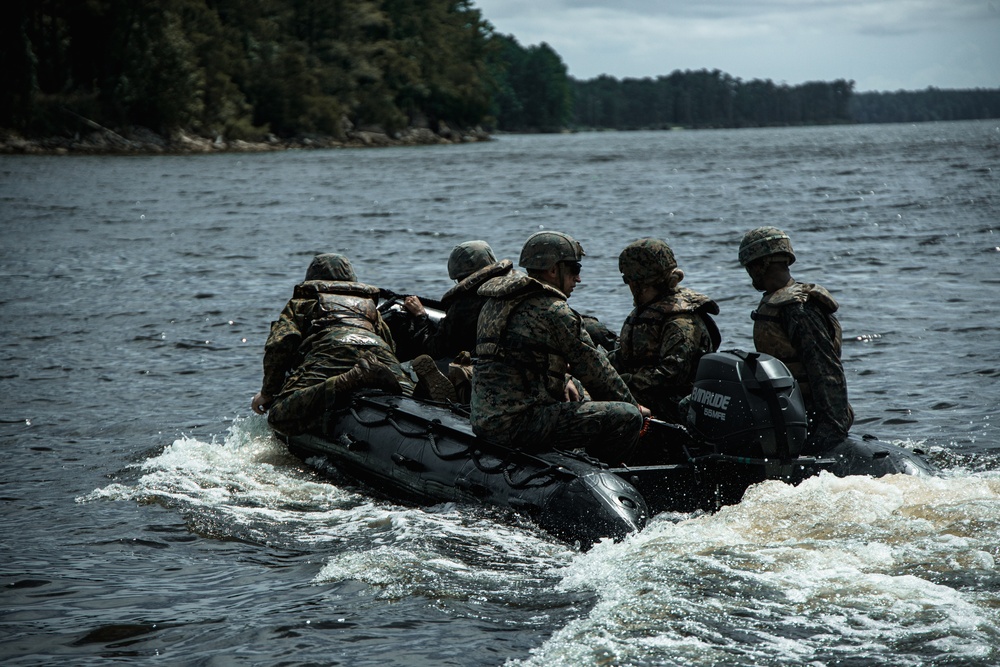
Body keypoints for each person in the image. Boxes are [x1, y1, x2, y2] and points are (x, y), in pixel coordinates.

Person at [470, 230, 649, 465]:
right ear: (554, 270)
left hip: (485, 419)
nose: (578, 279)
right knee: (626, 417)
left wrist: (565, 379)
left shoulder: (496, 303)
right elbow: (596, 370)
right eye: (575, 269)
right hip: (520, 424)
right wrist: (634, 405)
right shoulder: (554, 311)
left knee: (577, 387)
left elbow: (519, 358)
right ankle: (600, 476)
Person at [251, 253, 414, 435]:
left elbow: (281, 343)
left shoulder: (301, 303)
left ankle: (348, 379)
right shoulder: (369, 307)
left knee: (278, 416)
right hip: (378, 353)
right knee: (411, 401)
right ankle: (419, 387)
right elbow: (389, 344)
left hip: (330, 352)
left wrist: (268, 392)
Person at [737, 226, 853, 449]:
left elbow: (825, 370)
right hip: (785, 406)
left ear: (762, 264)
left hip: (808, 413)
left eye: (750, 266)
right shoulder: (777, 303)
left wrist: (830, 430)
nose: (749, 272)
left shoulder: (797, 308)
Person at [611, 238, 721, 423]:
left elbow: (672, 374)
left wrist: (624, 382)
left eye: (628, 280)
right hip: (648, 393)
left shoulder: (681, 321)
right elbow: (625, 355)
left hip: (674, 403)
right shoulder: (651, 309)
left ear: (640, 282)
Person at [400, 241, 514, 402]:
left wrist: (420, 317)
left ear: (461, 277)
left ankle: (456, 395)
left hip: (487, 373)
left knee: (417, 369)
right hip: (524, 367)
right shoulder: (517, 286)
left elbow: (434, 349)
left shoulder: (465, 303)